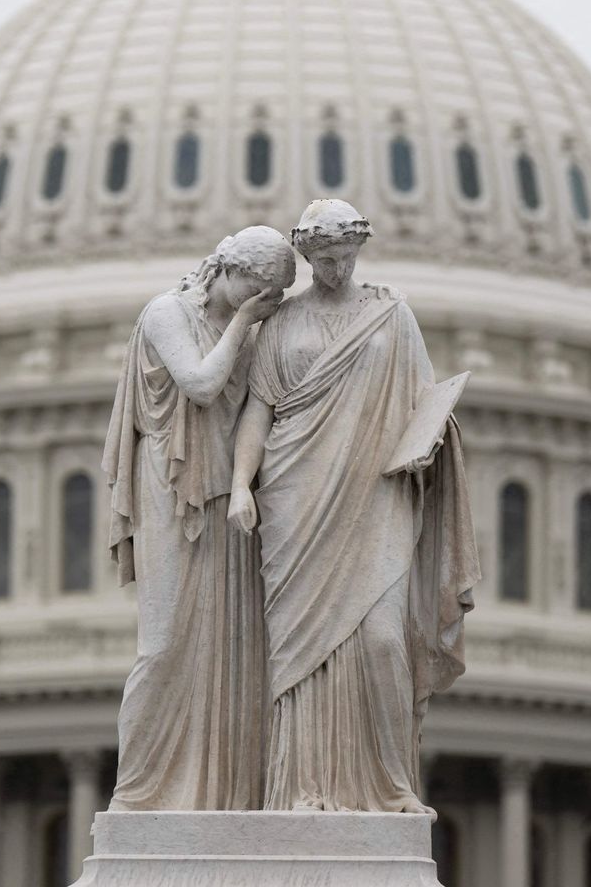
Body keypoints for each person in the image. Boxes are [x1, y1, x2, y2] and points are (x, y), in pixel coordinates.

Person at [230, 199, 480, 815]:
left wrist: (427, 445)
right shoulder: (282, 323)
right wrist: (240, 484)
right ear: (306, 258)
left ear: (359, 251)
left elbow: (428, 404)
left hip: (377, 494)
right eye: (322, 260)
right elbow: (259, 408)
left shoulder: (392, 317)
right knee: (300, 652)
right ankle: (303, 788)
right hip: (295, 498)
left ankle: (390, 785)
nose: (335, 269)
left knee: (382, 642)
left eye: (343, 258)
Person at [102, 226, 297, 811]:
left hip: (229, 503)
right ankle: (139, 794)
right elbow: (202, 384)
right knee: (163, 647)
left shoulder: (252, 330)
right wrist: (246, 323)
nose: (267, 306)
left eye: (276, 298)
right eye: (261, 292)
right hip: (171, 490)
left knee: (230, 653)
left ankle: (222, 795)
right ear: (230, 272)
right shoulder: (167, 313)